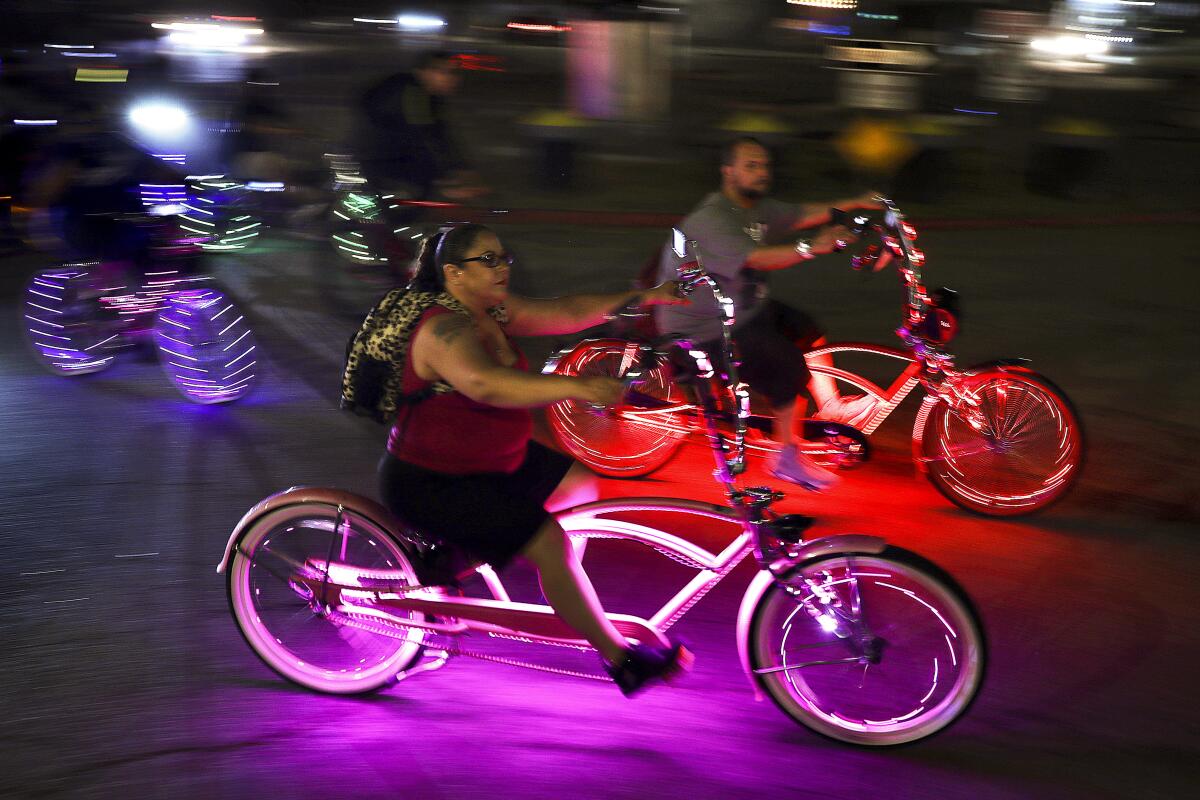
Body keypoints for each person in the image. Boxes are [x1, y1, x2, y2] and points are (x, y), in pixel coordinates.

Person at [377, 223, 691, 696]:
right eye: (489, 260)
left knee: (579, 484)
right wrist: (578, 386)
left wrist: (646, 295)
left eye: (504, 257)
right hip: (435, 479)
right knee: (550, 545)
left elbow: (563, 312)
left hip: (493, 460)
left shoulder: (492, 311)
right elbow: (486, 384)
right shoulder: (441, 328)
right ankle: (621, 659)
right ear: (454, 274)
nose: (503, 266)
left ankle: (522, 577)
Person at [654, 136, 881, 490]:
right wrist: (811, 247)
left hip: (741, 307)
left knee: (808, 329)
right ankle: (786, 457)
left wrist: (854, 202)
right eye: (751, 166)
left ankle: (831, 406)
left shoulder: (754, 209)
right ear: (728, 172)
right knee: (789, 366)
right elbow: (755, 258)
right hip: (704, 326)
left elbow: (802, 213)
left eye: (764, 166)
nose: (761, 173)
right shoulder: (712, 220)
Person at [351, 51, 481, 202]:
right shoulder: (412, 93)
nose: (453, 79)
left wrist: (461, 167)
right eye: (445, 72)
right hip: (375, 161)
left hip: (385, 159)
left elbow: (441, 135)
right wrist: (447, 176)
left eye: (456, 73)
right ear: (423, 72)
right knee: (411, 201)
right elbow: (422, 137)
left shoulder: (431, 97)